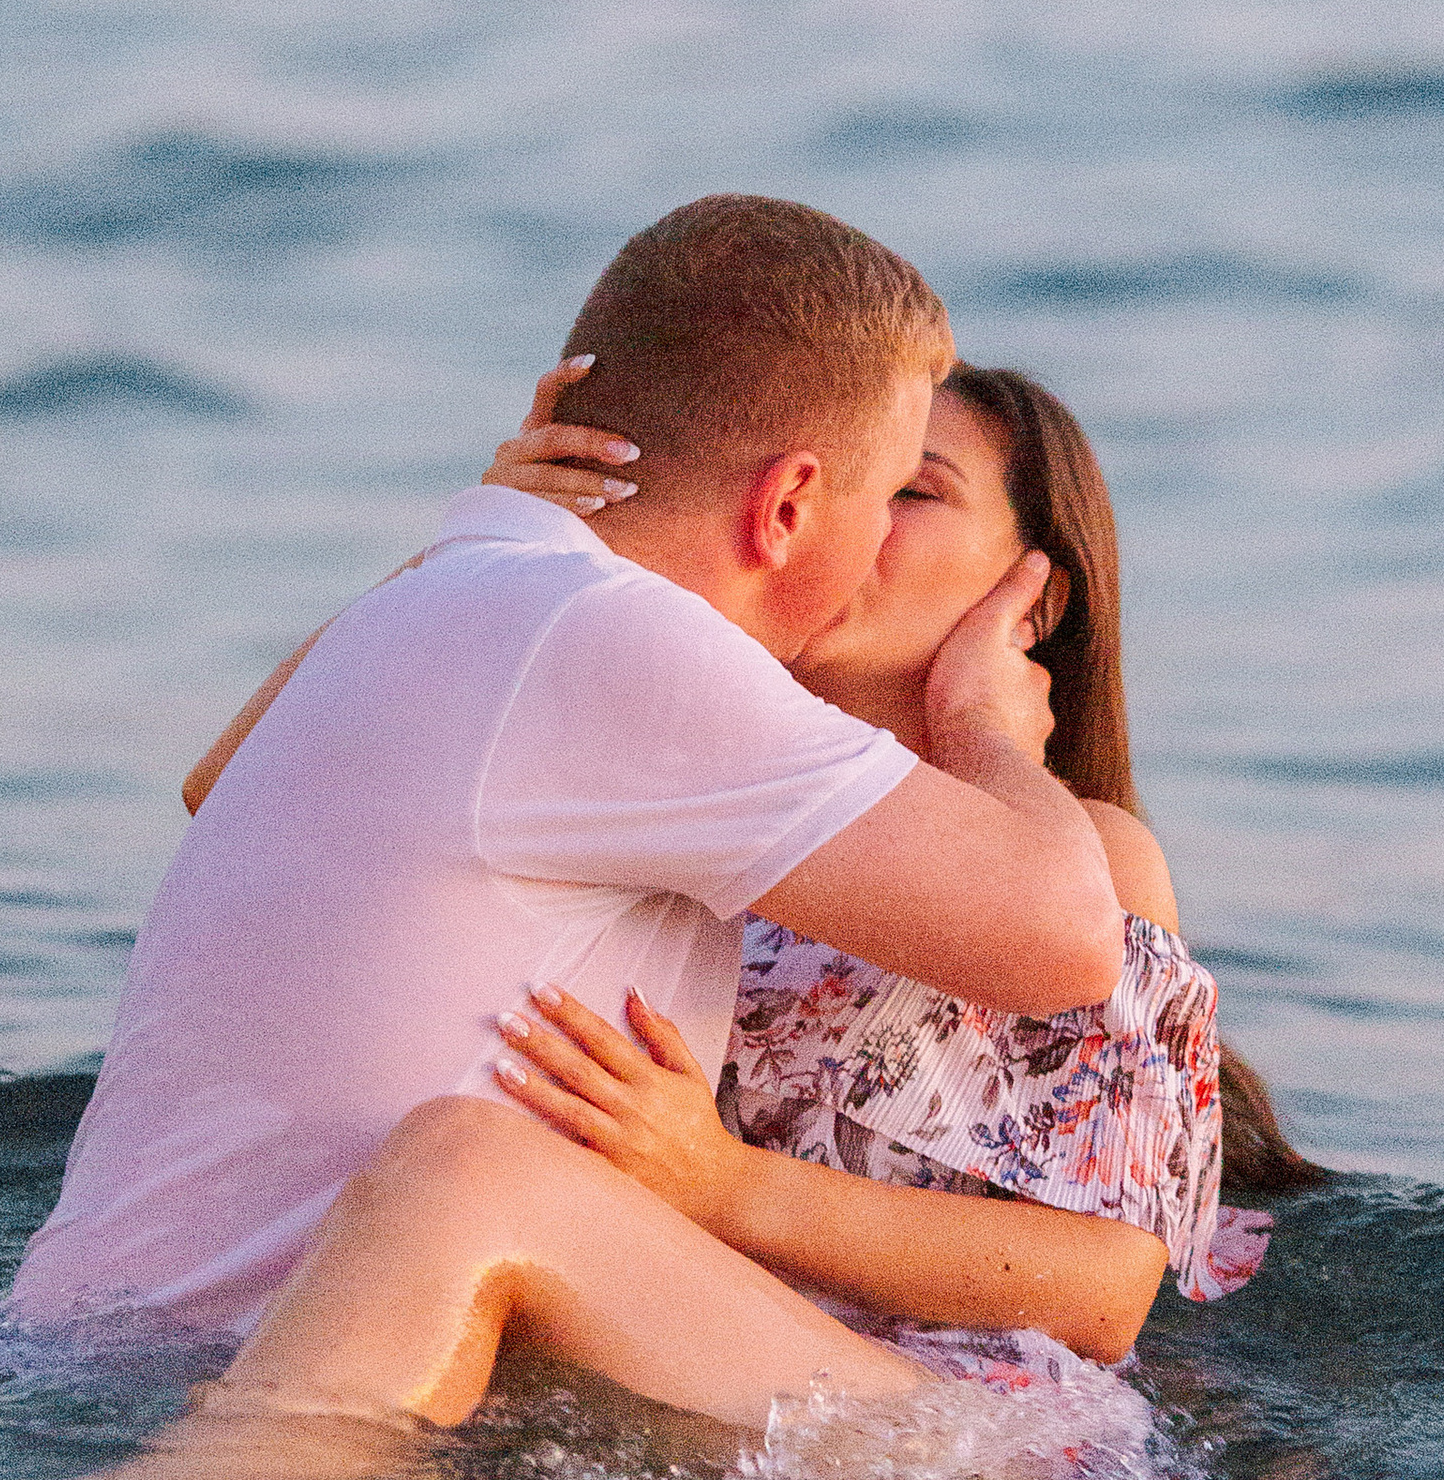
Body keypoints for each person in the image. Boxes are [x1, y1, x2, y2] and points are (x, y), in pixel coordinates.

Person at [16, 195, 1134, 1480]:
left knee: (471, 1175)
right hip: (561, 1361)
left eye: (918, 500)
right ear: (790, 503)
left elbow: (1083, 982)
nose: (881, 538)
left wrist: (984, 733)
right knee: (471, 1180)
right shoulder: (620, 652)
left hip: (956, 1438)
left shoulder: (466, 617)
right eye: (884, 489)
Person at [470, 356, 1320, 1337]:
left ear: (1034, 602)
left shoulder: (1090, 866)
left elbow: (1104, 1292)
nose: (847, 519)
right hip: (644, 1349)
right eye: (828, 484)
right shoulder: (661, 790)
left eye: (911, 491)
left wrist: (719, 1183)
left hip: (935, 1427)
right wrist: (499, 549)